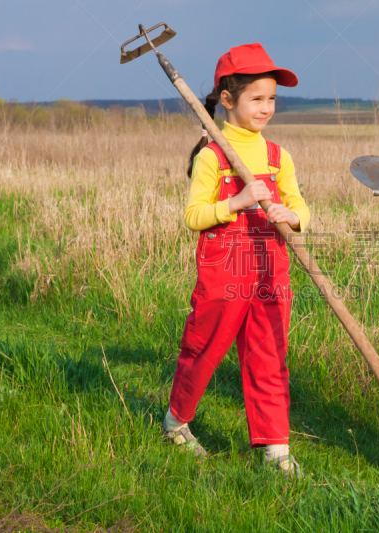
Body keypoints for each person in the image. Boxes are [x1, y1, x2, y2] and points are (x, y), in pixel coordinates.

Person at [162, 43, 310, 477]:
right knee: (204, 349)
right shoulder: (213, 155)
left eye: (272, 99)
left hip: (269, 268)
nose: (266, 108)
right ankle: (176, 422)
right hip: (223, 269)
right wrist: (238, 202)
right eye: (257, 98)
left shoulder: (279, 157)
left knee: (269, 355)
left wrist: (292, 217)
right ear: (227, 100)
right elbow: (194, 217)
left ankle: (275, 449)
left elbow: (303, 208)